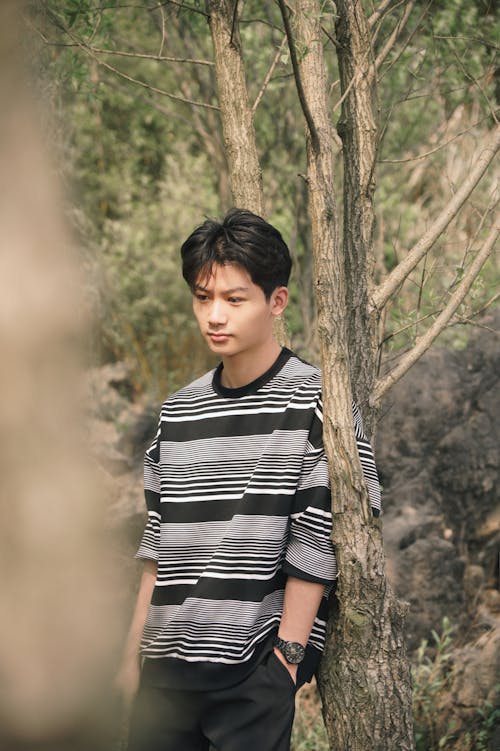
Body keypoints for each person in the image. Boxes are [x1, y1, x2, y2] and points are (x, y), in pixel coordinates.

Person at [115, 208, 381, 751]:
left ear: (275, 302)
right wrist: (129, 655)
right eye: (203, 297)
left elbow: (318, 535)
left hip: (253, 671)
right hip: (163, 672)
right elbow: (157, 541)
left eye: (235, 300)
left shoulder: (317, 401)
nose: (215, 315)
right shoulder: (179, 412)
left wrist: (287, 660)